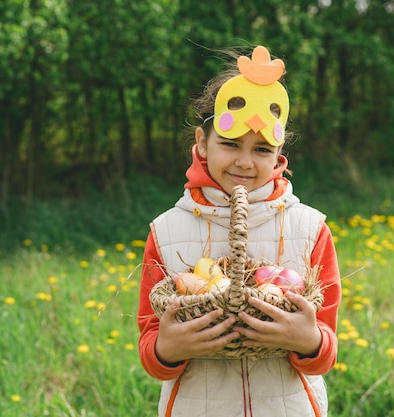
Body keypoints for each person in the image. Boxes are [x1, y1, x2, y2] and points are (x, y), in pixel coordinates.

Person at [137, 45, 341, 417]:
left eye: (262, 149)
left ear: (279, 150)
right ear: (202, 142)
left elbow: (325, 351)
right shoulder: (166, 232)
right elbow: (151, 348)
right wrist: (168, 349)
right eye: (230, 145)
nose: (245, 162)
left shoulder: (310, 229)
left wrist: (307, 341)